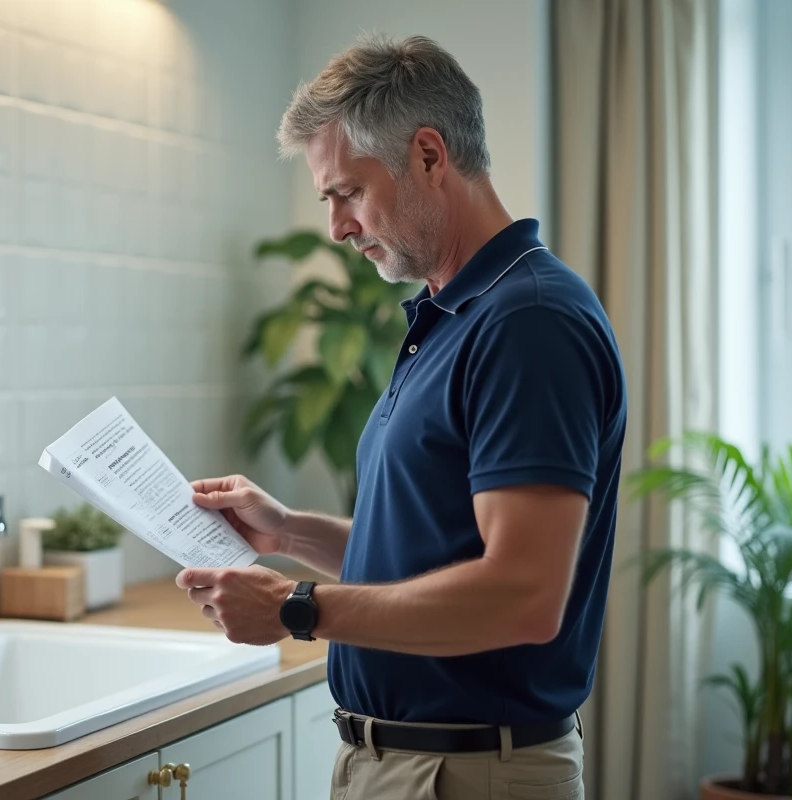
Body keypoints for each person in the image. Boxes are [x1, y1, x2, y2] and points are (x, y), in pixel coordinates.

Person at [177, 33, 626, 800]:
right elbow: (432, 552)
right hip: (408, 766)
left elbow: (523, 593)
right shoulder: (453, 316)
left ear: (427, 155)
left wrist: (296, 609)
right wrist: (288, 532)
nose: (338, 228)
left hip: (469, 774)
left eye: (347, 192)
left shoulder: (529, 322)